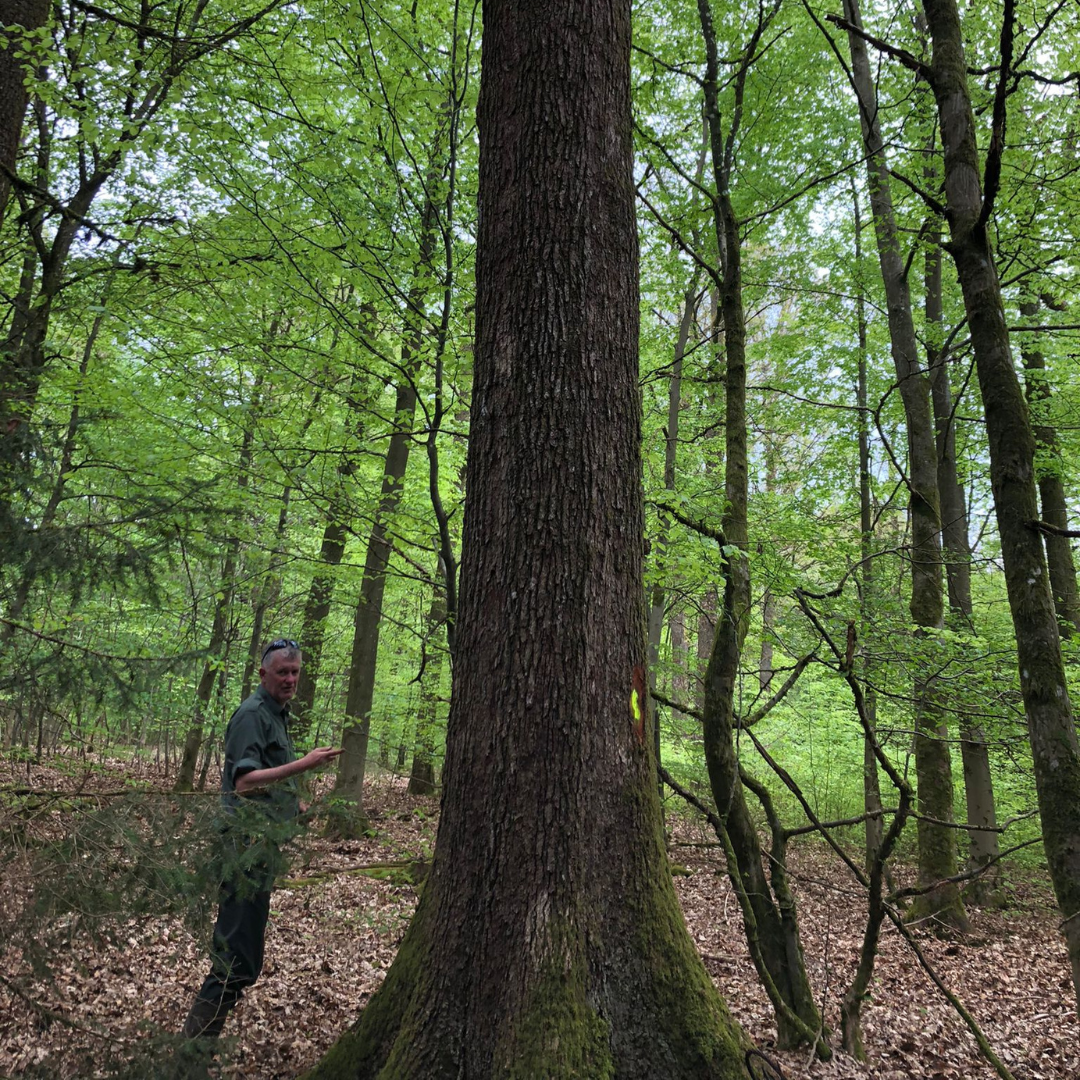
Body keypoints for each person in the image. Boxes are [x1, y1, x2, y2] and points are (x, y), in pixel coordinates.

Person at [181, 639, 341, 1041]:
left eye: (295, 672)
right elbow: (243, 782)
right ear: (263, 674)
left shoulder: (276, 715)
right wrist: (306, 764)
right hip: (243, 850)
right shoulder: (252, 715)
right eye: (282, 672)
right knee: (235, 960)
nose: (290, 679)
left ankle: (197, 1049)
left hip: (259, 850)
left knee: (244, 960)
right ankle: (190, 1055)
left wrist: (293, 804)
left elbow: (268, 777)